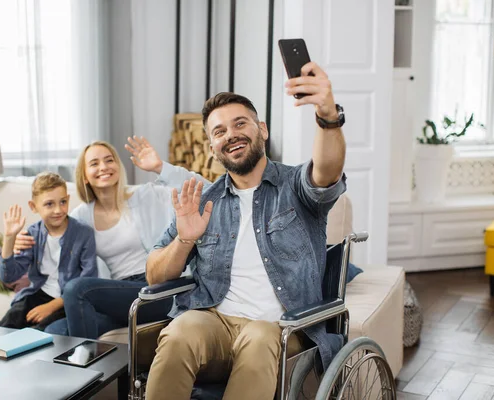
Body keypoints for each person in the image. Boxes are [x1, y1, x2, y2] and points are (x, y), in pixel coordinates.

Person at [144, 61, 347, 400]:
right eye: (219, 131)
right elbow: (154, 274)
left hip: (283, 330)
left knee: (260, 337)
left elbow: (327, 171)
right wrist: (185, 239)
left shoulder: (295, 186)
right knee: (179, 331)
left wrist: (327, 114)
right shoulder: (204, 200)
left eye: (240, 124)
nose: (231, 135)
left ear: (262, 130)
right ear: (212, 148)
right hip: (216, 324)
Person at [14, 139, 206, 337]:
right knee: (55, 330)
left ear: (117, 166)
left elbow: (206, 191)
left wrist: (160, 167)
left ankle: (85, 365)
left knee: (76, 289)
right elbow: (53, 237)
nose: (103, 167)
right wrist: (23, 239)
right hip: (117, 295)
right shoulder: (82, 216)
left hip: (158, 290)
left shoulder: (147, 195)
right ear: (85, 176)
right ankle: (92, 362)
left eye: (109, 160)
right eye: (94, 164)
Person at [0, 172, 97, 330]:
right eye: (49, 204)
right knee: (6, 324)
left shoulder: (83, 233)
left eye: (63, 202)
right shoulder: (33, 234)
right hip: (38, 294)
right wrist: (9, 238)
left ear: (68, 200)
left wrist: (50, 306)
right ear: (33, 206)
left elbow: (88, 280)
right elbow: (8, 276)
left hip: (68, 300)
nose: (58, 210)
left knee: (36, 334)